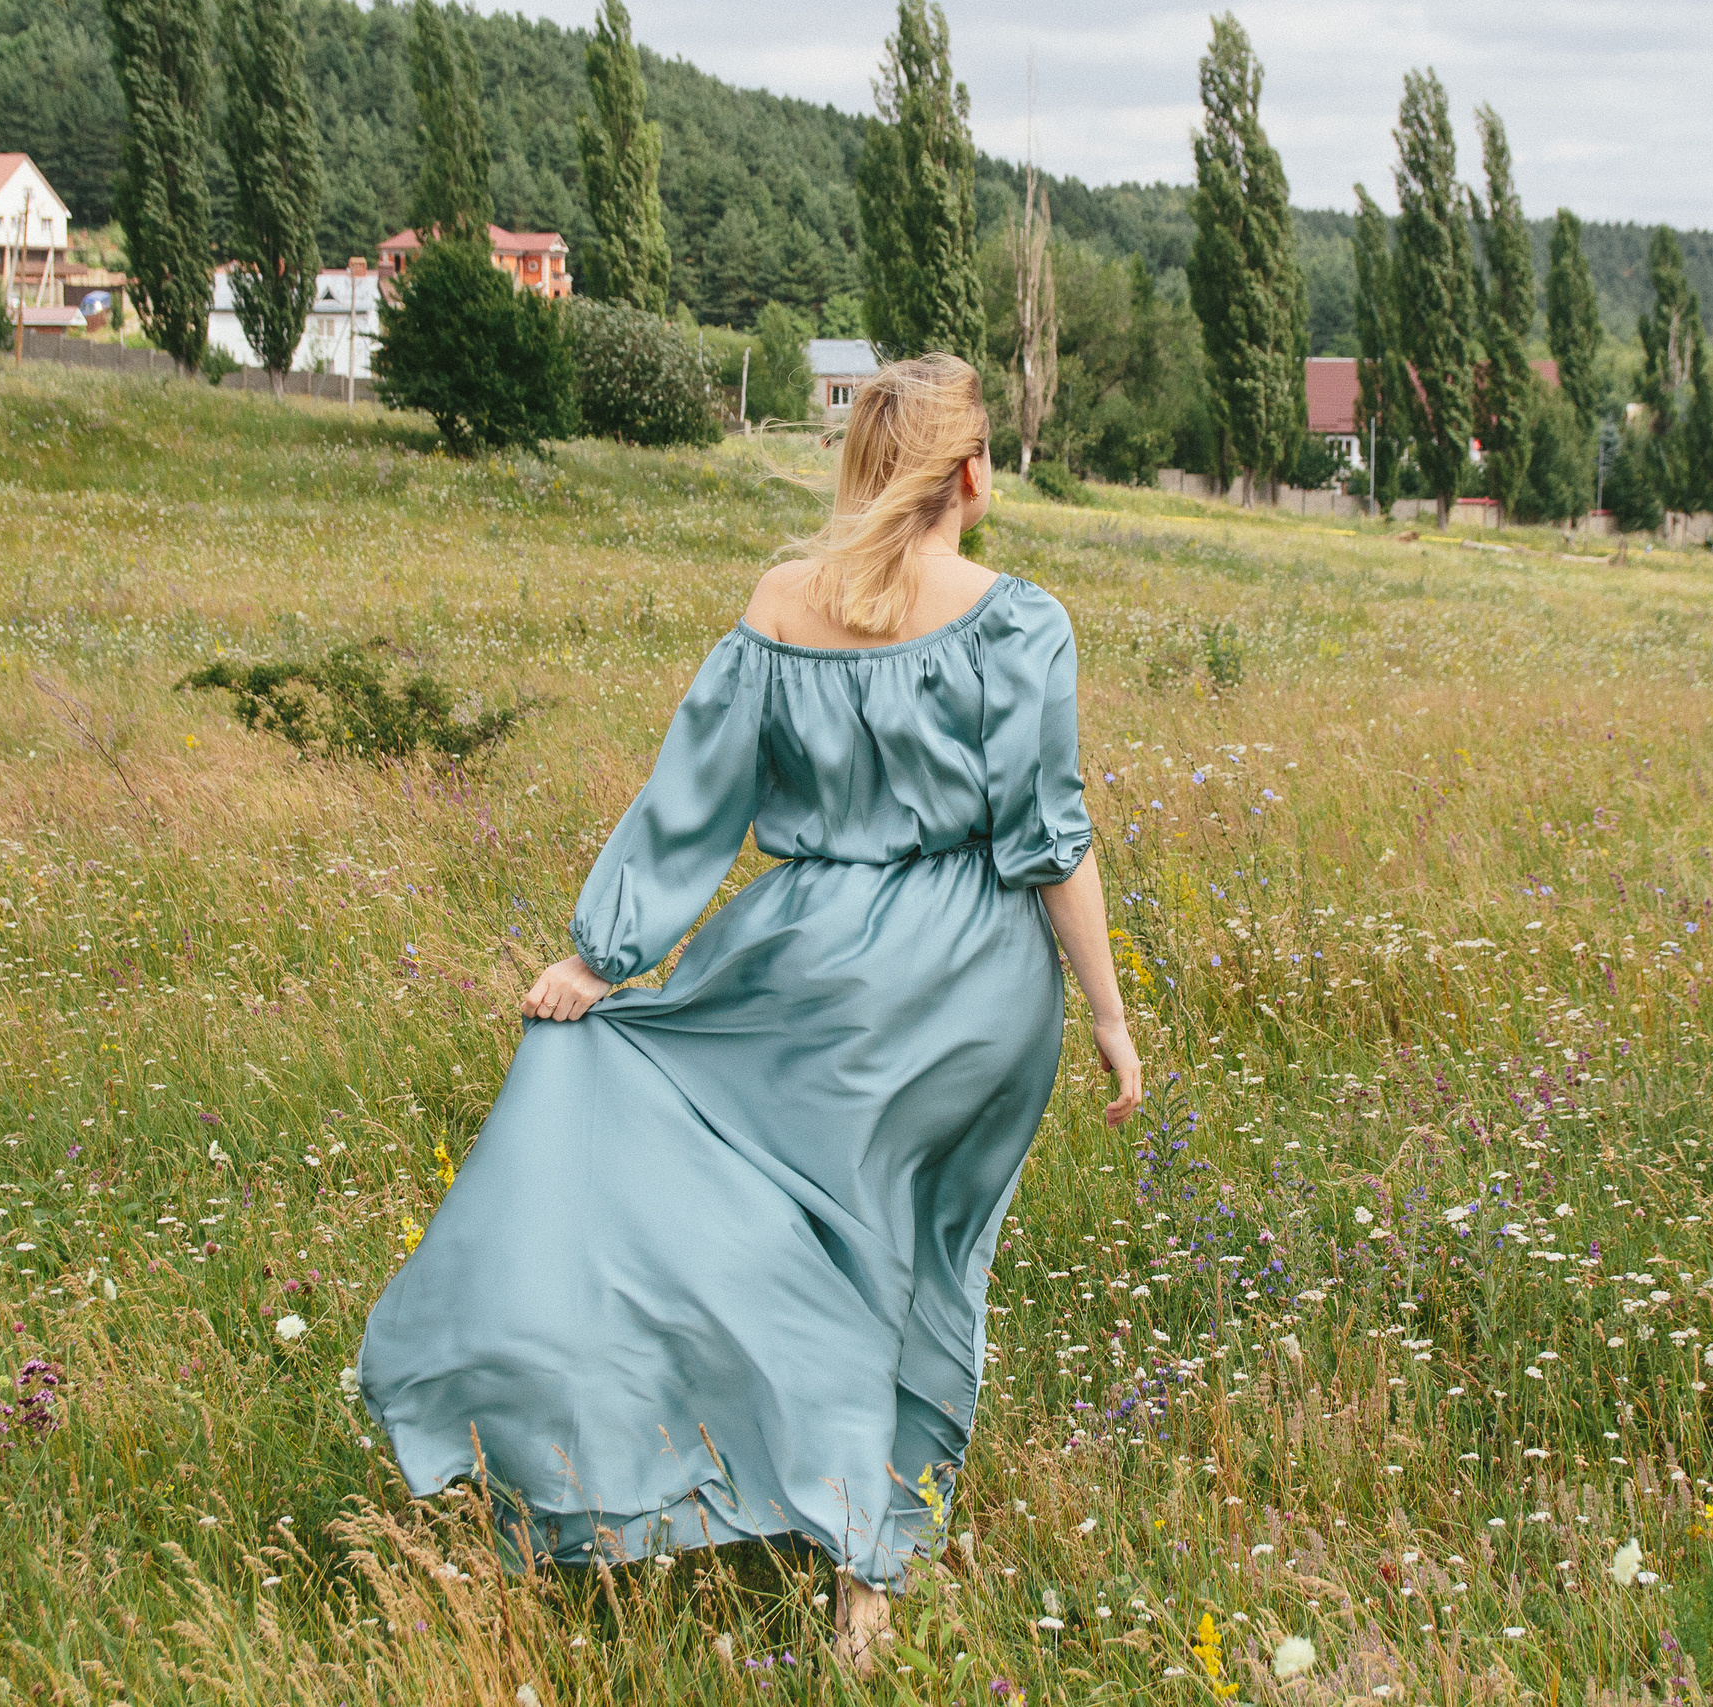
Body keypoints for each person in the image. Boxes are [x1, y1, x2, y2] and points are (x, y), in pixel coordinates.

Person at [355, 352, 1141, 1672]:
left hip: (804, 962)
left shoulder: (783, 605)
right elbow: (1052, 845)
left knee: (778, 1239)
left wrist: (602, 962)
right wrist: (1110, 1015)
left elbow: (693, 802)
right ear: (968, 474)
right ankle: (865, 1565)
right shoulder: (1020, 623)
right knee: (913, 1252)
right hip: (969, 984)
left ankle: (725, 1477)